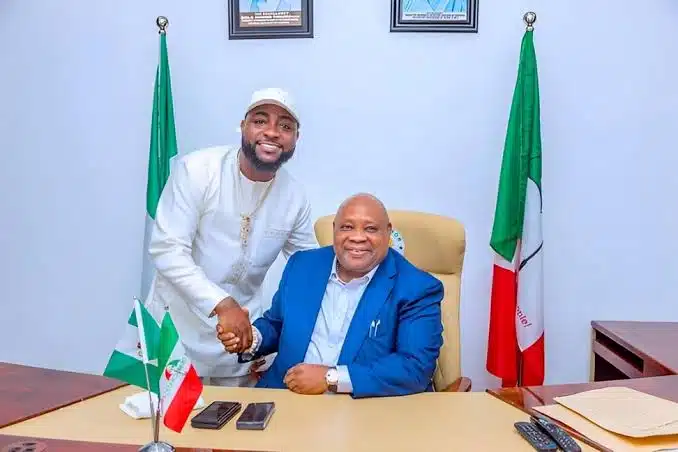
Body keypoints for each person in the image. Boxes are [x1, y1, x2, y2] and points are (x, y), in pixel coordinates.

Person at [146, 87, 318, 387]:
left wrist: (274, 343)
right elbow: (167, 249)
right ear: (243, 126)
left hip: (239, 343)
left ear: (295, 139)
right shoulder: (198, 169)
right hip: (174, 331)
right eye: (260, 121)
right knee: (156, 417)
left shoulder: (294, 196)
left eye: (285, 126)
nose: (272, 132)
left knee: (234, 417)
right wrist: (223, 305)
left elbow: (309, 268)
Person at [218, 193, 444, 398]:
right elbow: (277, 324)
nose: (357, 237)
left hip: (360, 409)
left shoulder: (416, 288)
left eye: (370, 229)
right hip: (286, 398)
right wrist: (251, 338)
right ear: (335, 230)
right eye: (347, 227)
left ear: (388, 232)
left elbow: (415, 366)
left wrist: (332, 378)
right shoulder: (303, 265)